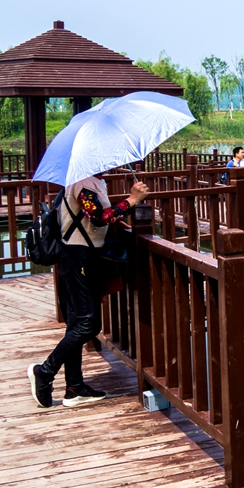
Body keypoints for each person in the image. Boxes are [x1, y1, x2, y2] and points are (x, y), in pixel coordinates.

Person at [27, 174, 149, 409]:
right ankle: (44, 371)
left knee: (77, 323)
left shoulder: (91, 181)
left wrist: (118, 218)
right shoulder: (83, 182)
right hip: (78, 258)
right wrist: (132, 200)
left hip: (80, 257)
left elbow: (94, 217)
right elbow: (99, 217)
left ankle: (74, 388)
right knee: (88, 324)